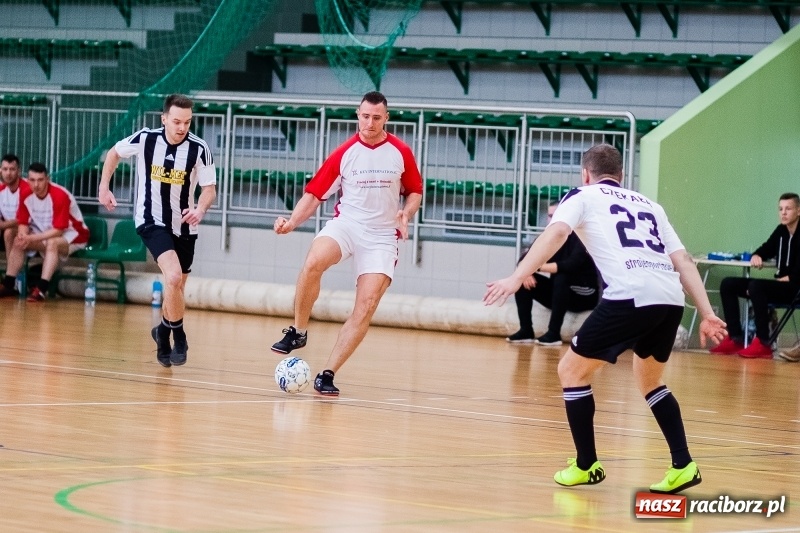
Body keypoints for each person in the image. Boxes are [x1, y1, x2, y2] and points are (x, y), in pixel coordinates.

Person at [484, 144, 726, 494]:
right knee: (651, 382)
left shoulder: (581, 195)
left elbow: (556, 234)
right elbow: (685, 260)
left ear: (586, 174)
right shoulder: (650, 205)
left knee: (570, 371)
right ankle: (683, 465)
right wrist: (707, 313)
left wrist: (516, 275)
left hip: (630, 294)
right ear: (622, 176)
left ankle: (586, 465)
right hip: (669, 298)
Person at [271, 91, 423, 396]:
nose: (370, 122)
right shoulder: (344, 153)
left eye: (376, 117)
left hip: (382, 235)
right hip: (348, 225)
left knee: (366, 306)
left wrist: (406, 213)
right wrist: (291, 222)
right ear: (358, 114)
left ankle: (327, 374)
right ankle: (298, 331)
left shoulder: (401, 152)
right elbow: (314, 195)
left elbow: (415, 191)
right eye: (365, 116)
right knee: (313, 262)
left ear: (386, 118)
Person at [98, 93, 216, 368]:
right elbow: (114, 153)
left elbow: (209, 189)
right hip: (151, 220)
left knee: (176, 287)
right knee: (173, 276)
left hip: (184, 225)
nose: (182, 127)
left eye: (187, 122)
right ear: (164, 119)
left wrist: (200, 209)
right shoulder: (146, 139)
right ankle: (178, 336)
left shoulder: (199, 149)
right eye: (176, 121)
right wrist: (104, 186)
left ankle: (162, 331)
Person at [710, 192, 800, 359]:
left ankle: (763, 342)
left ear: (798, 211)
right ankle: (735, 337)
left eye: (788, 209)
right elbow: (766, 249)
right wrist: (756, 255)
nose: (783, 213)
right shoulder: (781, 231)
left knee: (757, 286)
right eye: (780, 209)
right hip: (781, 284)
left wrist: (791, 278)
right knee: (728, 284)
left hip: (796, 289)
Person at [507, 202, 599, 345]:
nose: (551, 219)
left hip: (584, 294)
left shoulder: (581, 236)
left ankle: (554, 334)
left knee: (562, 276)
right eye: (549, 216)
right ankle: (526, 331)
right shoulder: (548, 237)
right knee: (522, 279)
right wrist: (526, 273)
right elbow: (524, 259)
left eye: (555, 215)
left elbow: (571, 264)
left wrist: (534, 268)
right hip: (560, 293)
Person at [0, 162, 89, 301]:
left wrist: (32, 239)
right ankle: (9, 284)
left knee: (52, 243)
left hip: (74, 235)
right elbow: (23, 222)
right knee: (19, 241)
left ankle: (41, 288)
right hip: (46, 233)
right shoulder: (25, 194)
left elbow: (59, 231)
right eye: (32, 180)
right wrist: (23, 235)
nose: (36, 185)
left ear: (47, 179)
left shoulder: (59, 195)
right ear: (27, 180)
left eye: (40, 180)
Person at [0, 154, 31, 259]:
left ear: (19, 171)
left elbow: (22, 219)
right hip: (10, 227)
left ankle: (14, 273)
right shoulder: (1, 189)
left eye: (12, 169)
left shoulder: (27, 188)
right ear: (1, 171)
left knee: (9, 233)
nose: (8, 173)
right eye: (5, 169)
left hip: (31, 229)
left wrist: (3, 225)